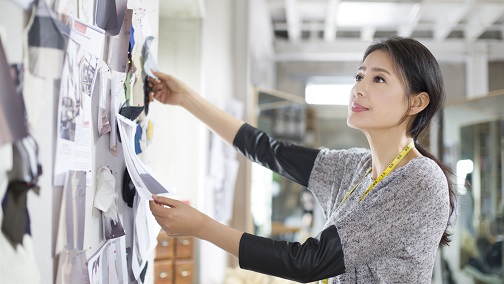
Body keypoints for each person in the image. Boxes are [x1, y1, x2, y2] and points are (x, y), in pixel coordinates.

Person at [148, 36, 456, 283]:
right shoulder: (354, 167)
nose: (359, 89)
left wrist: (201, 226)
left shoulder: (420, 180)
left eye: (378, 80)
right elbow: (269, 150)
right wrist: (186, 98)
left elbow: (309, 262)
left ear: (417, 102)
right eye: (359, 75)